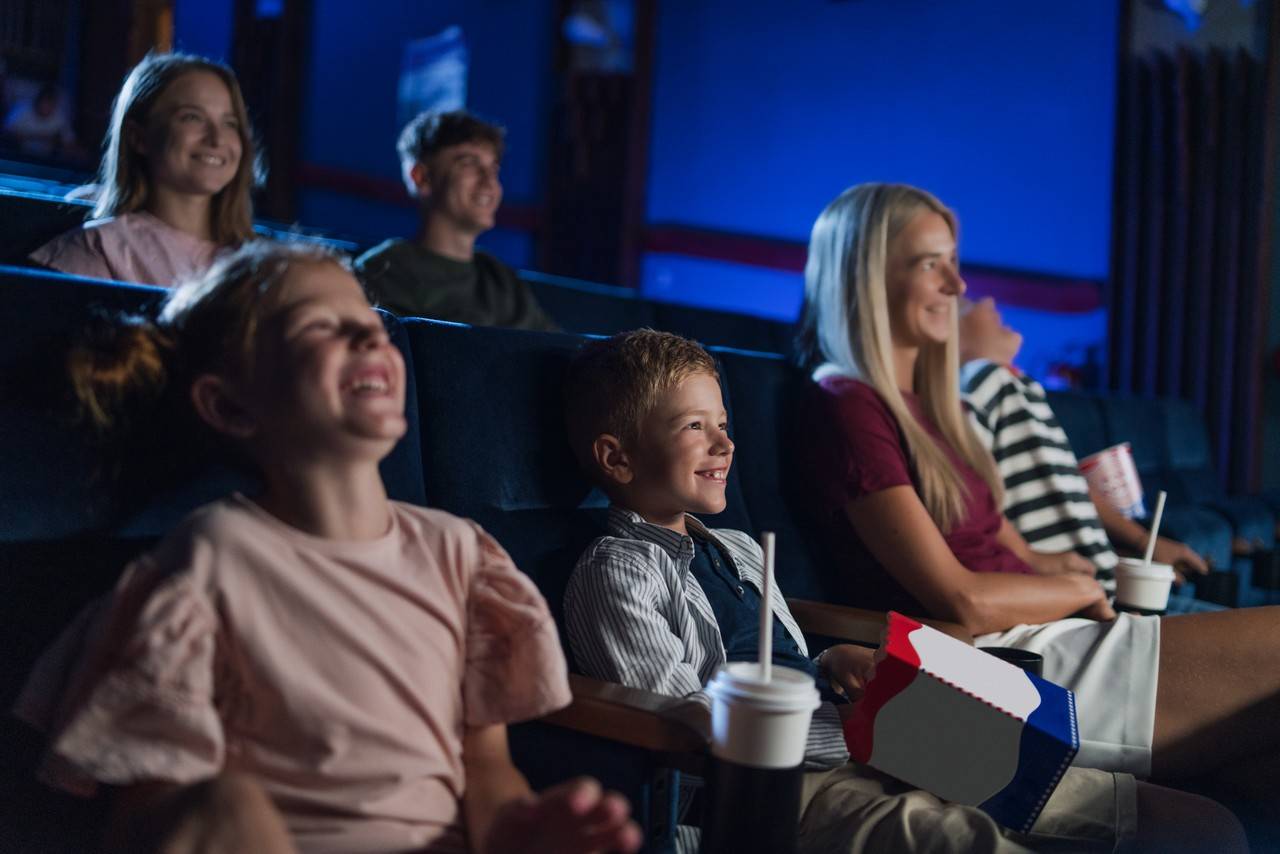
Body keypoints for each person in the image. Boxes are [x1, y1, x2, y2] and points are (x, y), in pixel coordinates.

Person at [13, 241, 640, 854]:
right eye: (322, 327)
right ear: (230, 405)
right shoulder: (211, 560)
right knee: (227, 804)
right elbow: (146, 818)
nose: (370, 339)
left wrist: (521, 830)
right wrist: (220, 813)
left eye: (369, 323)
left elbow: (488, 770)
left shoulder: (460, 555)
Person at [560, 328, 1242, 854]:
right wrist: (857, 733)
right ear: (617, 457)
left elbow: (781, 658)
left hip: (873, 738)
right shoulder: (617, 571)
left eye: (724, 424)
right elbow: (689, 722)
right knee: (964, 839)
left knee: (1191, 823)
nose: (724, 444)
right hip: (774, 787)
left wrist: (832, 664)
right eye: (694, 426)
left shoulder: (737, 549)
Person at [797, 182, 1280, 801]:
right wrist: (1078, 586)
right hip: (993, 658)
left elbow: (1009, 543)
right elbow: (962, 598)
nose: (957, 285)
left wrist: (1067, 565)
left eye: (953, 262)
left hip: (1040, 628)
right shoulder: (846, 404)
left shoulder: (933, 410)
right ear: (865, 277)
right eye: (929, 264)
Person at [956, 296, 1217, 613]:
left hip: (1100, 588)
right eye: (967, 304)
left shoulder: (1018, 387)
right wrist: (1028, 556)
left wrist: (1145, 543)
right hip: (1070, 600)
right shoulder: (980, 378)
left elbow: (1073, 487)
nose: (987, 300)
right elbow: (964, 485)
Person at [29, 53, 257, 287]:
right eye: (192, 117)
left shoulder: (260, 260)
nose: (217, 139)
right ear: (138, 137)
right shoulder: (98, 248)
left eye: (230, 123)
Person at [354, 109, 557, 331]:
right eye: (469, 163)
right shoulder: (383, 271)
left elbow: (561, 350)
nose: (489, 182)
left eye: (494, 168)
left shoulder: (501, 280)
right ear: (421, 177)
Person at [1, 82, 77, 157]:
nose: (47, 108)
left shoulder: (60, 116)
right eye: (45, 103)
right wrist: (37, 137)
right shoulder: (21, 110)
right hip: (18, 156)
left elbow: (69, 142)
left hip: (46, 161)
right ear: (38, 101)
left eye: (51, 105)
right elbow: (4, 132)